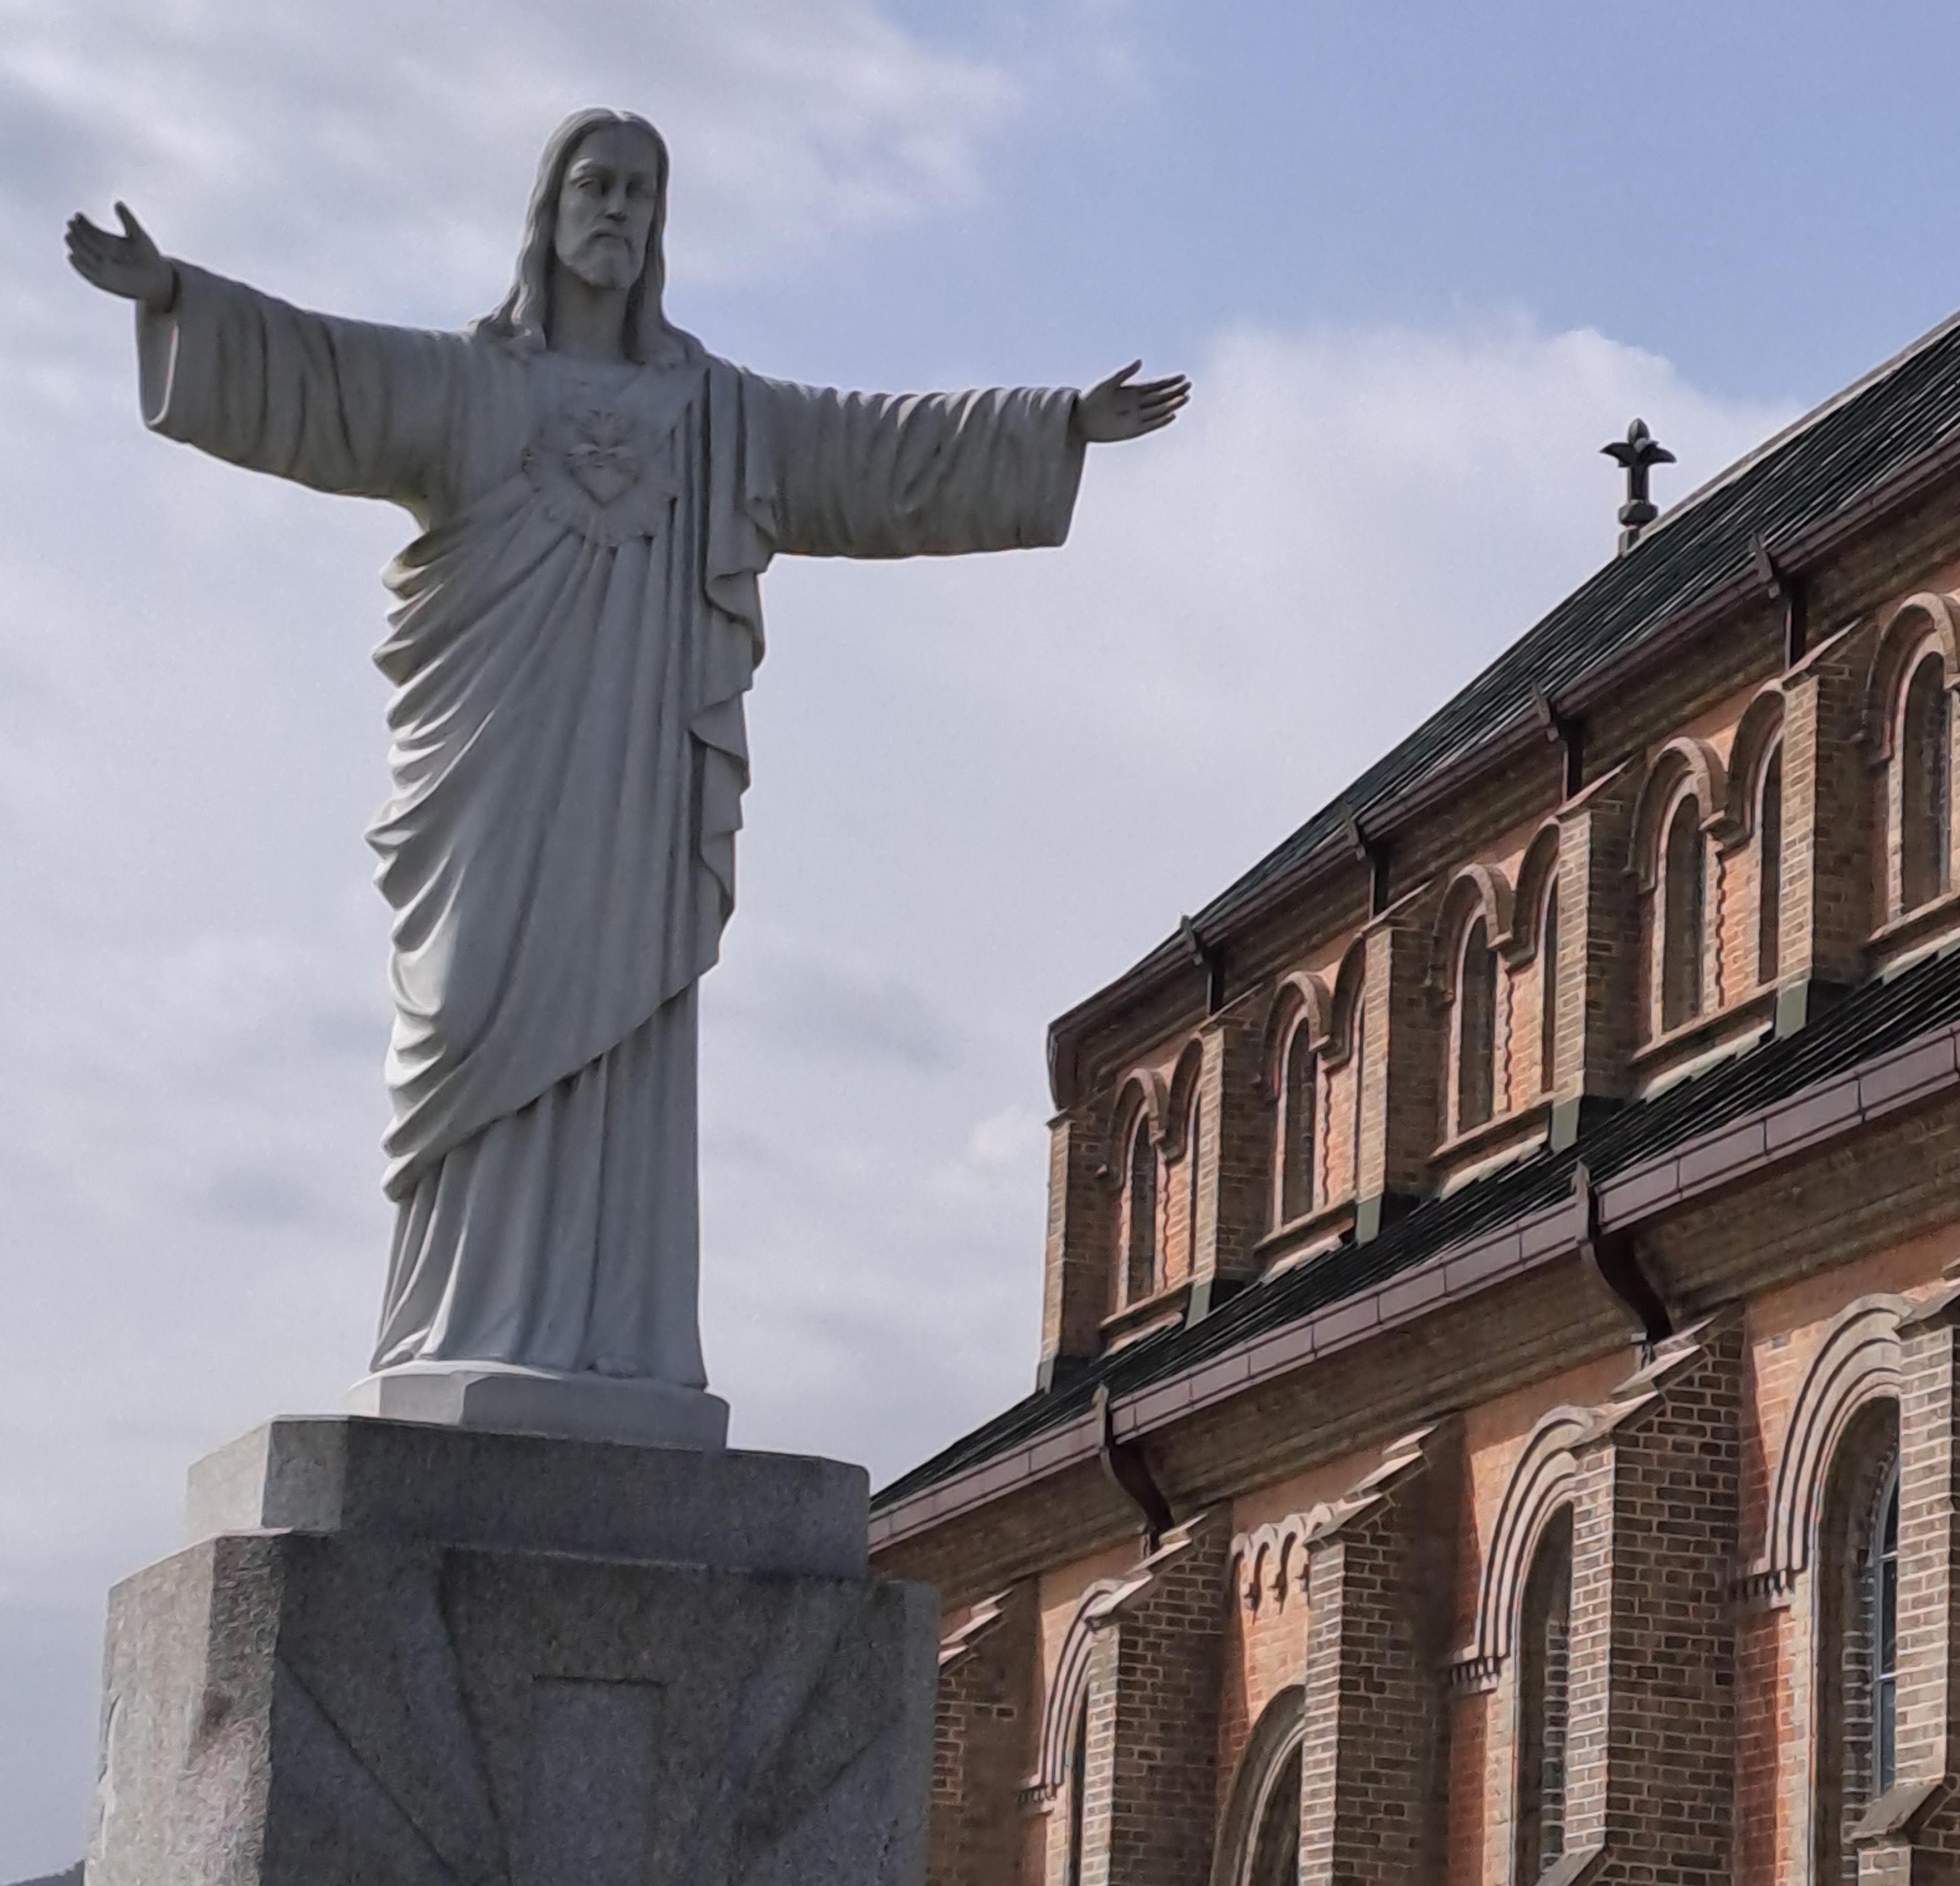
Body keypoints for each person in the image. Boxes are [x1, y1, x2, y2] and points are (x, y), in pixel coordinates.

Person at [66, 109, 1189, 1446]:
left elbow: (877, 453)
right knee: (469, 1008)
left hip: (637, 797)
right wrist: (178, 297)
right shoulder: (470, 387)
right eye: (595, 184)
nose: (616, 208)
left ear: (660, 225)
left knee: (625, 1027)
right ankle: (461, 1325)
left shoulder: (717, 414)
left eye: (641, 192)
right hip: (498, 782)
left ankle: (617, 1342)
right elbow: (323, 375)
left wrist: (1056, 424)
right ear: (547, 209)